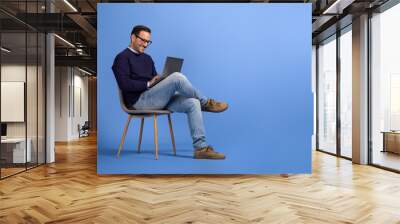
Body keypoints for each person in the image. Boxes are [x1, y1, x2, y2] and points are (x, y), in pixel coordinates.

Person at [112, 25, 228, 159]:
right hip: (138, 101)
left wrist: (160, 80)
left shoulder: (147, 59)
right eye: (142, 40)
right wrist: (149, 83)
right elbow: (124, 85)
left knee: (193, 102)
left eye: (147, 41)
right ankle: (207, 102)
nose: (145, 44)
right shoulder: (122, 58)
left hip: (155, 98)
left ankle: (200, 148)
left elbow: (154, 80)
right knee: (177, 77)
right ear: (132, 37)